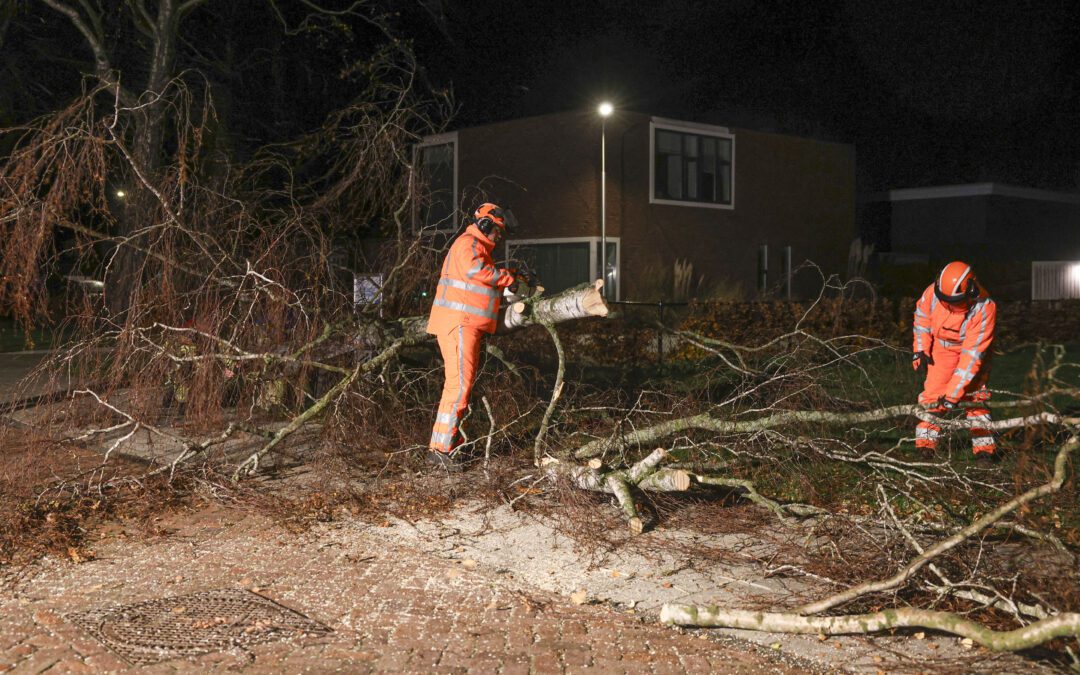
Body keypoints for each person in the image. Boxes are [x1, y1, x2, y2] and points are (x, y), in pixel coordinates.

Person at [425, 203, 520, 471]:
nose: (498, 238)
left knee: (457, 386)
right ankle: (441, 450)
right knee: (458, 387)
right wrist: (507, 277)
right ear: (485, 225)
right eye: (497, 231)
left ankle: (441, 446)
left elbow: (480, 286)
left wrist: (511, 279)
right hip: (460, 324)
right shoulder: (469, 244)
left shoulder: (479, 249)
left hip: (466, 325)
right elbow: (476, 272)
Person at [912, 261, 997, 461]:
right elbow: (922, 318)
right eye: (945, 300)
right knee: (932, 396)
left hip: (971, 349)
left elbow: (971, 358)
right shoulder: (933, 292)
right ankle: (925, 446)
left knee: (975, 397)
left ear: (970, 291)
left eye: (954, 301)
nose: (949, 305)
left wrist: (953, 395)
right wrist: (920, 349)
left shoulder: (984, 308)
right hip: (941, 349)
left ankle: (984, 450)